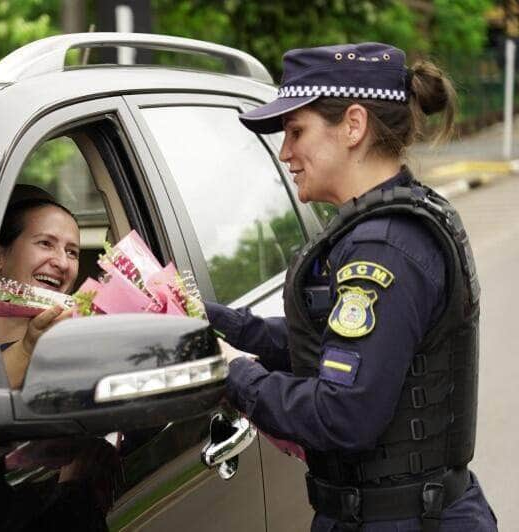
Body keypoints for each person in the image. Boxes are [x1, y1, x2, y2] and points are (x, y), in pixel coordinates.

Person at [208, 43, 497, 531]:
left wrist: (232, 372)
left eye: (296, 131)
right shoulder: (388, 223)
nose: (285, 152)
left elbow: (344, 414)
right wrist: (219, 324)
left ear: (354, 126)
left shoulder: (385, 247)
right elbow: (335, 342)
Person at [0, 184, 80, 389]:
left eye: (72, 252)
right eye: (45, 243)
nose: (62, 263)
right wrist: (26, 349)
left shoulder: (77, 347)